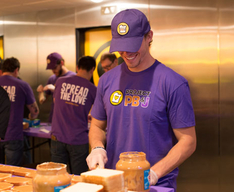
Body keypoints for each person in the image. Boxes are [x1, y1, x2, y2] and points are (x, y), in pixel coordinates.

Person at [86, 9, 196, 191]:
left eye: (133, 44)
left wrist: (154, 173)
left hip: (156, 185)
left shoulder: (173, 83)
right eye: (122, 45)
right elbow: (97, 126)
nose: (127, 52)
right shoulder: (106, 80)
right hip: (115, 183)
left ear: (149, 36)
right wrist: (97, 147)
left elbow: (188, 141)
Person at [50, 56, 97, 175]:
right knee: (78, 179)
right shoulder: (92, 89)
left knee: (57, 177)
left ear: (77, 67)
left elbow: (57, 103)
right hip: (78, 140)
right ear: (92, 69)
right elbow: (96, 113)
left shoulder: (60, 81)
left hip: (57, 138)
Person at [0, 57, 39, 166]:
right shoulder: (22, 85)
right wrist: (32, 117)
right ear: (16, 70)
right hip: (12, 135)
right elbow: (34, 111)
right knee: (13, 172)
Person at [37, 52, 76, 123]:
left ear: (61, 63)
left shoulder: (74, 77)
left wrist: (55, 90)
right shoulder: (52, 79)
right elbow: (43, 100)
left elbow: (75, 100)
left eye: (54, 68)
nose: (53, 71)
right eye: (51, 68)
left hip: (69, 119)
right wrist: (41, 92)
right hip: (54, 118)